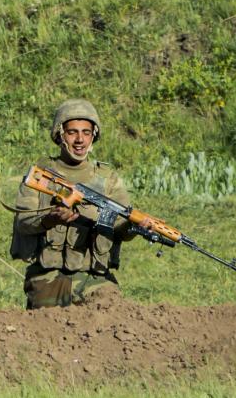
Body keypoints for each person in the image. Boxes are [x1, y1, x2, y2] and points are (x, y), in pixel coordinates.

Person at [9, 99, 151, 309]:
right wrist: (49, 220)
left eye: (86, 132)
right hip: (48, 275)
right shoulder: (41, 175)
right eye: (72, 132)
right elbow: (23, 221)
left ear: (94, 135)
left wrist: (135, 227)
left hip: (95, 278)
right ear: (60, 134)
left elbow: (121, 228)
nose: (79, 140)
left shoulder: (108, 179)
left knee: (112, 317)